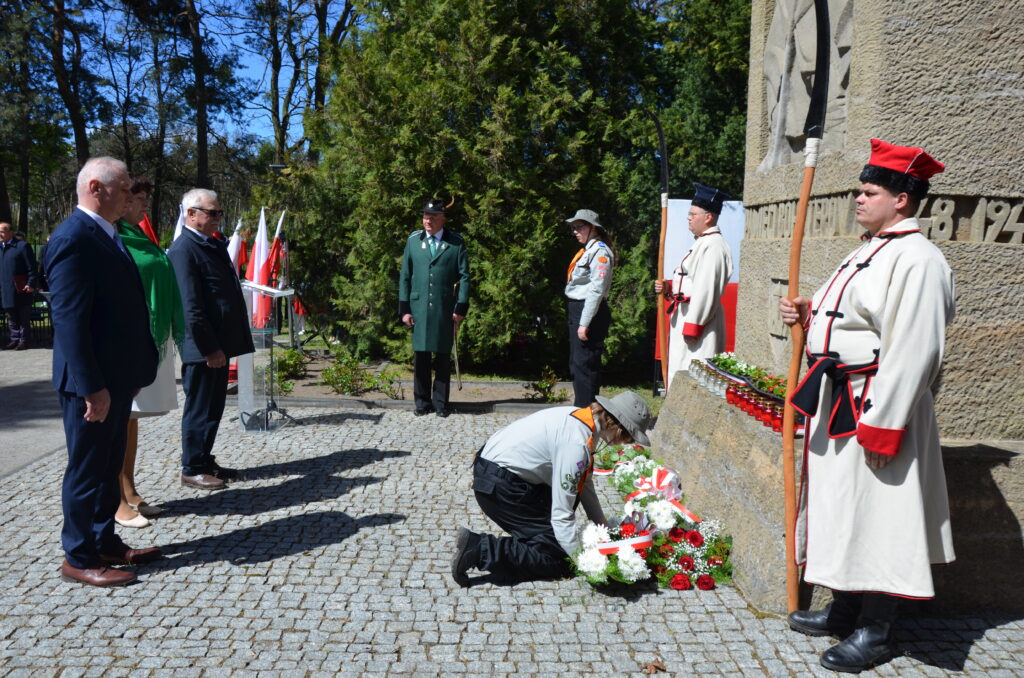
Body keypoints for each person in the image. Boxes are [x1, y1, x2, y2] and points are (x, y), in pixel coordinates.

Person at [779, 139, 955, 673]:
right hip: (842, 402)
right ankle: (844, 609)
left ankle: (876, 631)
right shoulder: (867, 249)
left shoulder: (919, 260)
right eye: (860, 189)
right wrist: (811, 312)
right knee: (844, 508)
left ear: (901, 199)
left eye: (870, 191)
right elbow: (855, 314)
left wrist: (885, 424)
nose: (858, 198)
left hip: (876, 406)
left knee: (879, 516)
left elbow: (915, 348)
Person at [43, 157, 162, 586]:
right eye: (124, 188)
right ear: (96, 188)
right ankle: (78, 557)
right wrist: (92, 387)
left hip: (116, 378)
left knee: (108, 465)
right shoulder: (74, 238)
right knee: (87, 469)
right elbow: (70, 323)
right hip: (92, 385)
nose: (130, 196)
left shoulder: (107, 232)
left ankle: (104, 542)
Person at [451, 391, 652, 586]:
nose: (625, 444)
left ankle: (528, 541)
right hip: (500, 488)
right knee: (557, 558)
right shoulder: (576, 443)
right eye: (629, 438)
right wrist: (582, 561)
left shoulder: (581, 419)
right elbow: (561, 516)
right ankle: (480, 549)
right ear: (618, 427)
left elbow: (584, 482)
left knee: (557, 538)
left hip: (497, 474)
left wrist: (604, 526)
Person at [167, 188, 254, 491]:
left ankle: (204, 460)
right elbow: (191, 307)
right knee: (200, 409)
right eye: (212, 212)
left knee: (213, 408)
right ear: (191, 214)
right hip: (204, 348)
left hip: (218, 345)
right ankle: (192, 468)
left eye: (220, 212)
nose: (218, 218)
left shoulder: (209, 244)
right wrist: (210, 348)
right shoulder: (184, 250)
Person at [114, 178, 185, 528]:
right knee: (118, 420)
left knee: (131, 418)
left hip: (148, 338)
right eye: (138, 198)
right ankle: (114, 498)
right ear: (122, 201)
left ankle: (129, 488)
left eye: (145, 198)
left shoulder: (140, 237)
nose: (144, 205)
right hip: (127, 339)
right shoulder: (114, 238)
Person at [654, 184, 733, 387]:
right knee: (680, 369)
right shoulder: (702, 242)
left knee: (694, 375)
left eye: (693, 214)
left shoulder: (714, 246)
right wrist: (669, 289)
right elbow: (690, 281)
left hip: (699, 322)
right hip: (687, 316)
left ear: (708, 217)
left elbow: (706, 289)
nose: (688, 218)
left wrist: (694, 325)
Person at [398, 198, 470, 417]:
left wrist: (460, 307)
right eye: (425, 217)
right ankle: (421, 403)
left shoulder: (455, 242)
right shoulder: (414, 241)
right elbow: (405, 276)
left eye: (432, 217)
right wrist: (404, 308)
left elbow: (464, 276)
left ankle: (440, 404)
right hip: (419, 307)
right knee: (421, 356)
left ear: (443, 219)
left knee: (442, 356)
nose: (427, 221)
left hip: (444, 307)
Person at [564, 209, 614, 407]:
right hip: (579, 308)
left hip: (589, 311)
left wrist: (584, 323)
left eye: (579, 227)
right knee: (577, 365)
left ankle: (586, 414)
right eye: (573, 228)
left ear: (593, 228)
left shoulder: (600, 252)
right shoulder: (588, 250)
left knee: (585, 365)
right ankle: (582, 410)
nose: (575, 232)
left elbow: (596, 290)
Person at [0, 221, 39, 350]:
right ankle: (14, 339)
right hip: (5, 288)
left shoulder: (22, 246)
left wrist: (30, 283)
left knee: (23, 316)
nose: (0, 234)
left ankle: (24, 340)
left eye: (2, 231)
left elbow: (32, 268)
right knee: (11, 316)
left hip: (21, 288)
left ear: (10, 232)